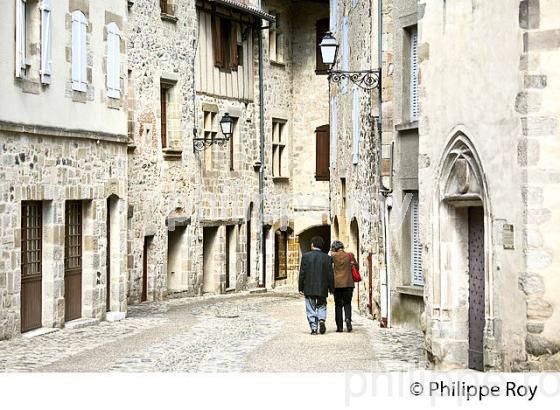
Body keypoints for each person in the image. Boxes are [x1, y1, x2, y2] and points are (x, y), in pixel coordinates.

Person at [298, 236, 334, 335]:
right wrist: (331, 288)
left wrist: (300, 287)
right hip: (322, 287)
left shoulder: (306, 256)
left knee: (310, 307)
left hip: (309, 287)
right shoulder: (327, 258)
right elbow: (330, 274)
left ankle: (314, 328)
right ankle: (321, 319)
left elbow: (302, 273)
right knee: (322, 305)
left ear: (312, 244)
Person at [330, 240, 356, 332]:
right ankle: (348, 319)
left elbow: (329, 269)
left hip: (337, 285)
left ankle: (339, 327)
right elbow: (356, 267)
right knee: (347, 303)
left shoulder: (333, 256)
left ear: (334, 248)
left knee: (338, 305)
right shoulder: (350, 255)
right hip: (348, 283)